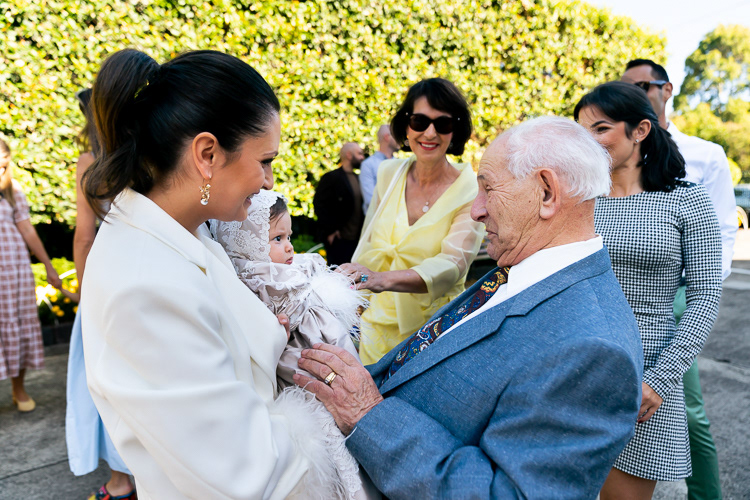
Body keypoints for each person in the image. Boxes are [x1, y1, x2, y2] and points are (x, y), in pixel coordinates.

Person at [295, 116, 644, 499]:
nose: (476, 211)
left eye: (488, 189)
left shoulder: (594, 349)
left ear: (546, 193)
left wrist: (368, 415)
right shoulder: (522, 265)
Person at [79, 48, 356, 499]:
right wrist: (345, 416)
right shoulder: (144, 286)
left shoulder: (186, 232)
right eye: (265, 160)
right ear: (207, 154)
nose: (269, 181)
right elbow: (242, 469)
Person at [575, 81, 723, 499]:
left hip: (644, 371)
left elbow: (705, 296)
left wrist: (660, 380)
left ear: (640, 130)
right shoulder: (580, 199)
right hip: (576, 362)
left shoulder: (686, 200)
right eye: (582, 131)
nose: (589, 141)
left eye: (601, 129)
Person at [211, 190, 376, 500]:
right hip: (302, 368)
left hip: (319, 358)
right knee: (331, 437)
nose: (289, 246)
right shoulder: (266, 282)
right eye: (277, 238)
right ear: (248, 244)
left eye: (288, 236)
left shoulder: (289, 272)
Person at [622, 58, 735, 500]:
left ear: (666, 90)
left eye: (642, 86)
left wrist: (694, 295)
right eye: (625, 87)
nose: (634, 94)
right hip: (625, 295)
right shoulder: (614, 154)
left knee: (686, 409)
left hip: (680, 294)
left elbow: (722, 230)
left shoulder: (705, 153)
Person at [338, 78, 484, 365]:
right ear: (406, 126)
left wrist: (380, 280)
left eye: (443, 123)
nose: (430, 132)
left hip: (431, 335)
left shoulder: (470, 188)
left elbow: (452, 265)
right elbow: (369, 242)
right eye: (419, 121)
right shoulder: (388, 173)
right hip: (376, 328)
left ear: (455, 131)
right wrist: (357, 301)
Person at [64, 88, 135, 500]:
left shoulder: (91, 163)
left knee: (103, 383)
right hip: (145, 276)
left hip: (106, 283)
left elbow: (84, 236)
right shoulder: (149, 150)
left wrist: (84, 296)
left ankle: (120, 483)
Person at [0, 138, 61, 413]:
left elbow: (26, 229)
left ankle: (18, 389)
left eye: (4, 165)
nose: (1, 171)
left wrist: (48, 265)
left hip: (15, 270)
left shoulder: (12, 191)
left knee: (19, 324)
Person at [313, 142, 366, 265]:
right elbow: (319, 205)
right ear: (349, 155)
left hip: (357, 240)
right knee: (337, 272)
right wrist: (330, 231)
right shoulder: (331, 178)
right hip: (339, 240)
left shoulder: (359, 178)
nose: (362, 157)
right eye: (359, 153)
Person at [359, 125, 399, 212]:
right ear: (387, 137)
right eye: (396, 135)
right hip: (377, 218)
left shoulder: (400, 164)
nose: (400, 139)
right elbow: (370, 201)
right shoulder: (368, 165)